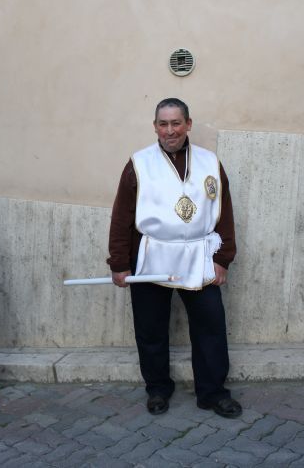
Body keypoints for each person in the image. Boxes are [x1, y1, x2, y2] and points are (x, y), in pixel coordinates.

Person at [108, 98, 242, 419]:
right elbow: (121, 217)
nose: (170, 130)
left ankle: (212, 392)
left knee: (210, 325)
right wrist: (119, 263)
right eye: (163, 124)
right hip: (153, 256)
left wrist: (223, 258)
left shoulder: (210, 163)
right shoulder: (139, 164)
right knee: (151, 329)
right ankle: (157, 389)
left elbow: (224, 214)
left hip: (200, 256)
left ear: (188, 124)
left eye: (176, 123)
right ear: (155, 126)